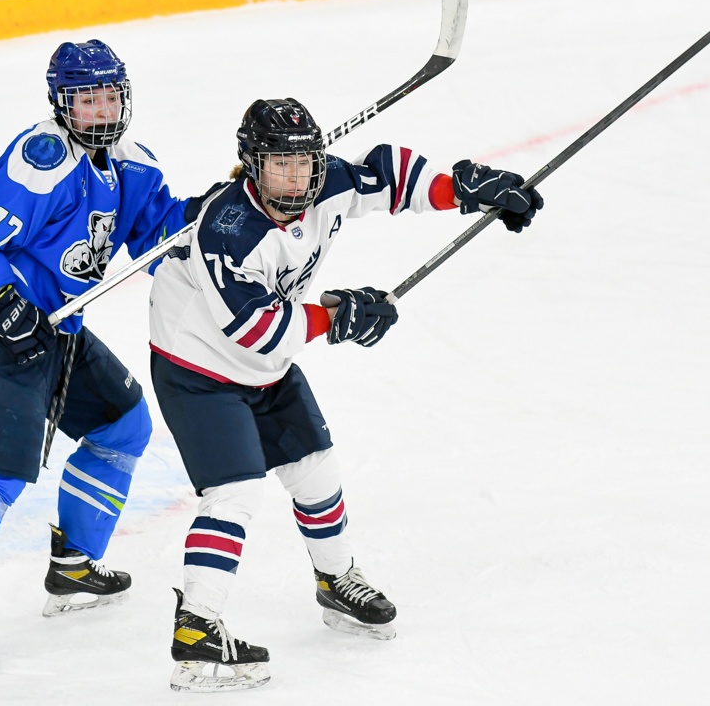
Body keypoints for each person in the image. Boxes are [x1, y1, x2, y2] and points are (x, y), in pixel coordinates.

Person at [148, 97, 543, 692]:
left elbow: (388, 174)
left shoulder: (320, 180)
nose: (297, 178)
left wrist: (464, 187)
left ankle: (334, 582)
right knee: (234, 494)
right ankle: (196, 629)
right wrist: (337, 315)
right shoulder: (228, 230)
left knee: (317, 472)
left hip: (265, 366)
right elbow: (256, 330)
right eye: (281, 165)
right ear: (252, 165)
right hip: (198, 365)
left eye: (305, 163)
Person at [0, 39, 214, 672]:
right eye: (86, 100)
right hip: (1, 328)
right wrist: (4, 300)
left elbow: (159, 238)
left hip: (59, 331)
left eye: (109, 97)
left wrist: (207, 216)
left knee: (122, 426)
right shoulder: (43, 164)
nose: (100, 112)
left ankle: (72, 568)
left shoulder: (132, 165)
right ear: (61, 103)